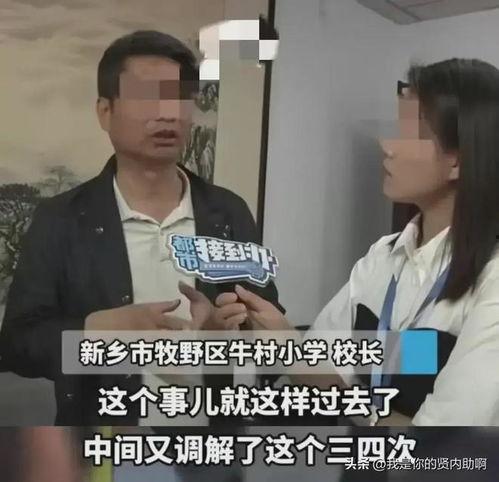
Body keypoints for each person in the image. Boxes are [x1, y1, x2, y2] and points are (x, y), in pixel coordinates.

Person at [0, 30, 281, 427]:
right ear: (105, 112)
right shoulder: (60, 218)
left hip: (211, 445)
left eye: (179, 97)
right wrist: (92, 332)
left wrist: (224, 338)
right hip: (103, 443)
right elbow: (17, 345)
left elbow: (271, 331)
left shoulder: (229, 213)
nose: (167, 113)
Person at [217, 58, 499, 426]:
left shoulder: (492, 276)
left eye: (412, 132)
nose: (388, 146)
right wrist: (281, 341)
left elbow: (443, 444)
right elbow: (328, 369)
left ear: (458, 160)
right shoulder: (383, 257)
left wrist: (353, 404)